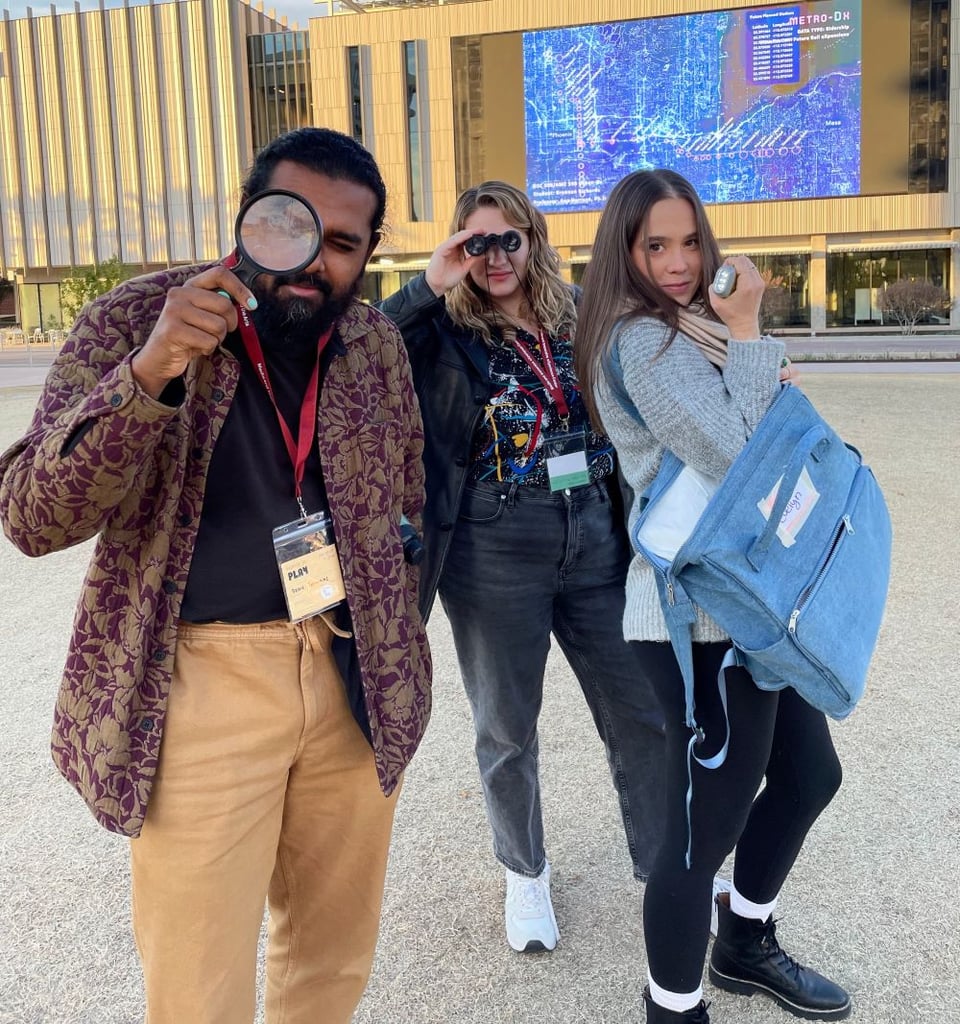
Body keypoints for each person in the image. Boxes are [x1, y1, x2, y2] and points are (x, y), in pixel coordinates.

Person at [0, 127, 431, 1024]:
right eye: (291, 226)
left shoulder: (372, 342)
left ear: (368, 253)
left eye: (342, 243)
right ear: (248, 217)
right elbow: (33, 516)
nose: (312, 260)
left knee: (333, 959)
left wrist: (397, 625)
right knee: (198, 986)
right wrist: (151, 372)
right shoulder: (135, 320)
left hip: (349, 673)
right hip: (198, 682)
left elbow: (407, 489)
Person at [574, 167, 849, 1024]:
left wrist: (744, 347)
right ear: (623, 250)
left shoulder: (690, 328)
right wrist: (751, 330)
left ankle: (744, 942)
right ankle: (674, 1007)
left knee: (809, 773)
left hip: (751, 602)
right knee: (701, 833)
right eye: (655, 244)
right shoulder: (640, 341)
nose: (678, 261)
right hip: (695, 617)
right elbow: (742, 453)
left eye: (690, 241)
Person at [378, 180, 666, 954]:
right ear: (458, 249)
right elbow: (358, 347)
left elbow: (663, 360)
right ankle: (525, 871)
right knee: (507, 725)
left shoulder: (584, 312)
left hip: (597, 531)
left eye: (509, 238)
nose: (496, 256)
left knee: (641, 709)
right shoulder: (440, 328)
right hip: (494, 541)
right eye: (477, 242)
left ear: (533, 239)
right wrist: (427, 285)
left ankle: (664, 866)